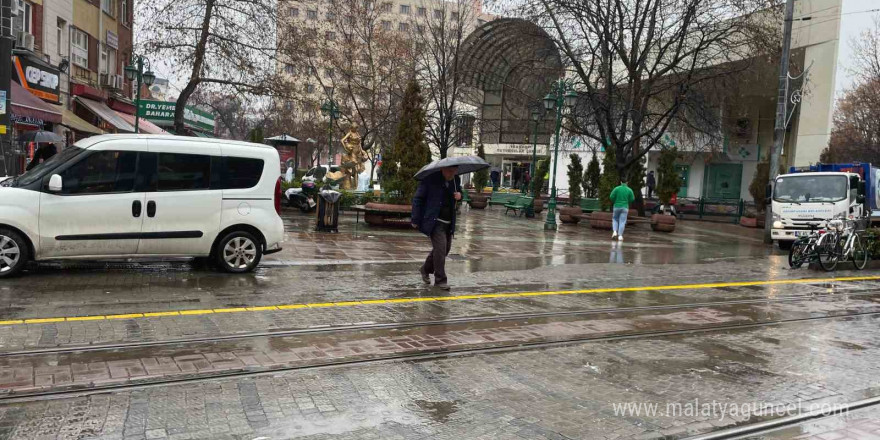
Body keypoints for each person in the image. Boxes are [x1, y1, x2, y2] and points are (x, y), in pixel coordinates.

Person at [412, 166, 461, 290]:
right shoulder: (430, 180)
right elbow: (418, 199)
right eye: (450, 171)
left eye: (454, 171)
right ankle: (440, 280)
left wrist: (460, 196)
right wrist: (415, 219)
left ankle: (425, 269)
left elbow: (460, 193)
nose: (452, 173)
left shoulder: (456, 180)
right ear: (443, 169)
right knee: (440, 249)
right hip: (435, 221)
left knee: (445, 249)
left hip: (449, 222)